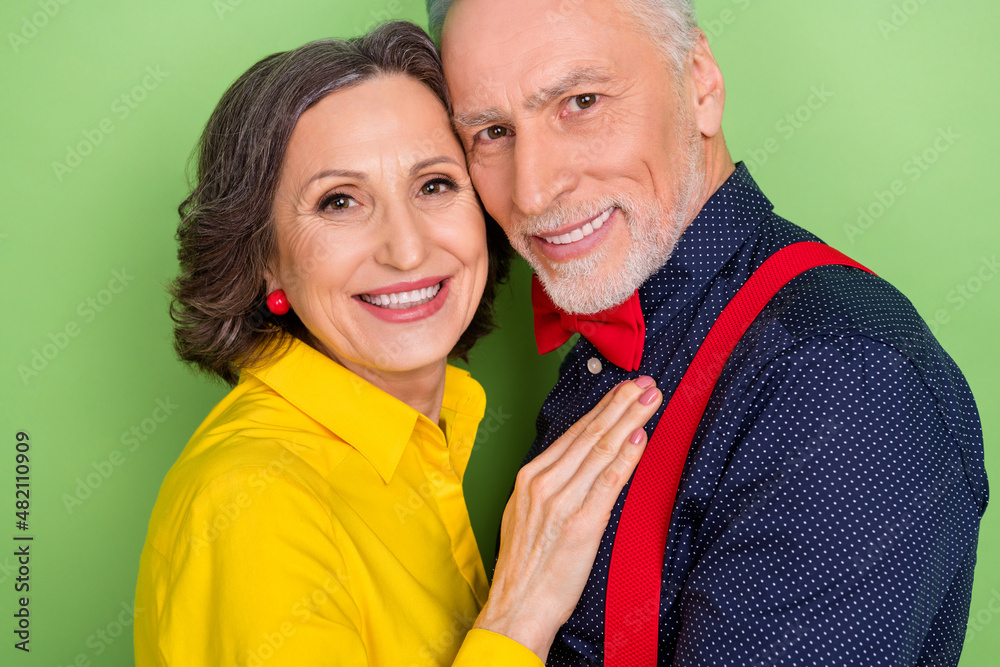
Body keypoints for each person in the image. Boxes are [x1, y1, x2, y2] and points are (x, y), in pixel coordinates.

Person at [428, 0, 989, 665]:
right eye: (492, 131)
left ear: (699, 83)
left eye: (580, 101)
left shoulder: (847, 383)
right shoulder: (620, 314)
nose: (533, 189)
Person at [133, 21, 666, 666]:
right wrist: (520, 614)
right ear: (265, 260)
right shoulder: (253, 504)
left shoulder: (423, 440)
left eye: (435, 185)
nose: (407, 249)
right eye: (339, 202)